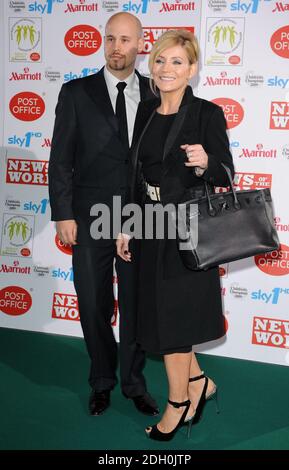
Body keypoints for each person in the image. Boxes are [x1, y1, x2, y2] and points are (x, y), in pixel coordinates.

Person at [117, 29, 234, 441]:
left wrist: (207, 163)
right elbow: (136, 176)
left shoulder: (206, 113)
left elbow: (226, 174)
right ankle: (200, 383)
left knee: (173, 327)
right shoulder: (145, 112)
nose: (168, 69)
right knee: (166, 319)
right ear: (154, 65)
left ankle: (178, 404)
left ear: (193, 69)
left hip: (188, 233)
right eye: (162, 60)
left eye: (178, 62)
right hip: (151, 230)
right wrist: (128, 225)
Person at [48, 13, 159, 417]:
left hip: (140, 217)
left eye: (125, 39)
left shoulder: (156, 91)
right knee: (92, 303)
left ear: (141, 44)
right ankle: (101, 380)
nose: (116, 47)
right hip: (88, 213)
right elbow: (60, 158)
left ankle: (133, 383)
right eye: (110, 38)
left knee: (134, 304)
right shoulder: (76, 92)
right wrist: (62, 212)